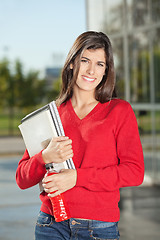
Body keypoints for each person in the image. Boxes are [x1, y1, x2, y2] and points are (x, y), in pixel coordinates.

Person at [16, 31, 144, 240]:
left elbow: (134, 172)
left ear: (106, 71)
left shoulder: (119, 111)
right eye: (85, 60)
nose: (91, 70)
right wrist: (45, 157)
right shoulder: (51, 115)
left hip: (99, 228)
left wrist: (77, 178)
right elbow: (22, 178)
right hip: (50, 225)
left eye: (100, 64)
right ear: (72, 63)